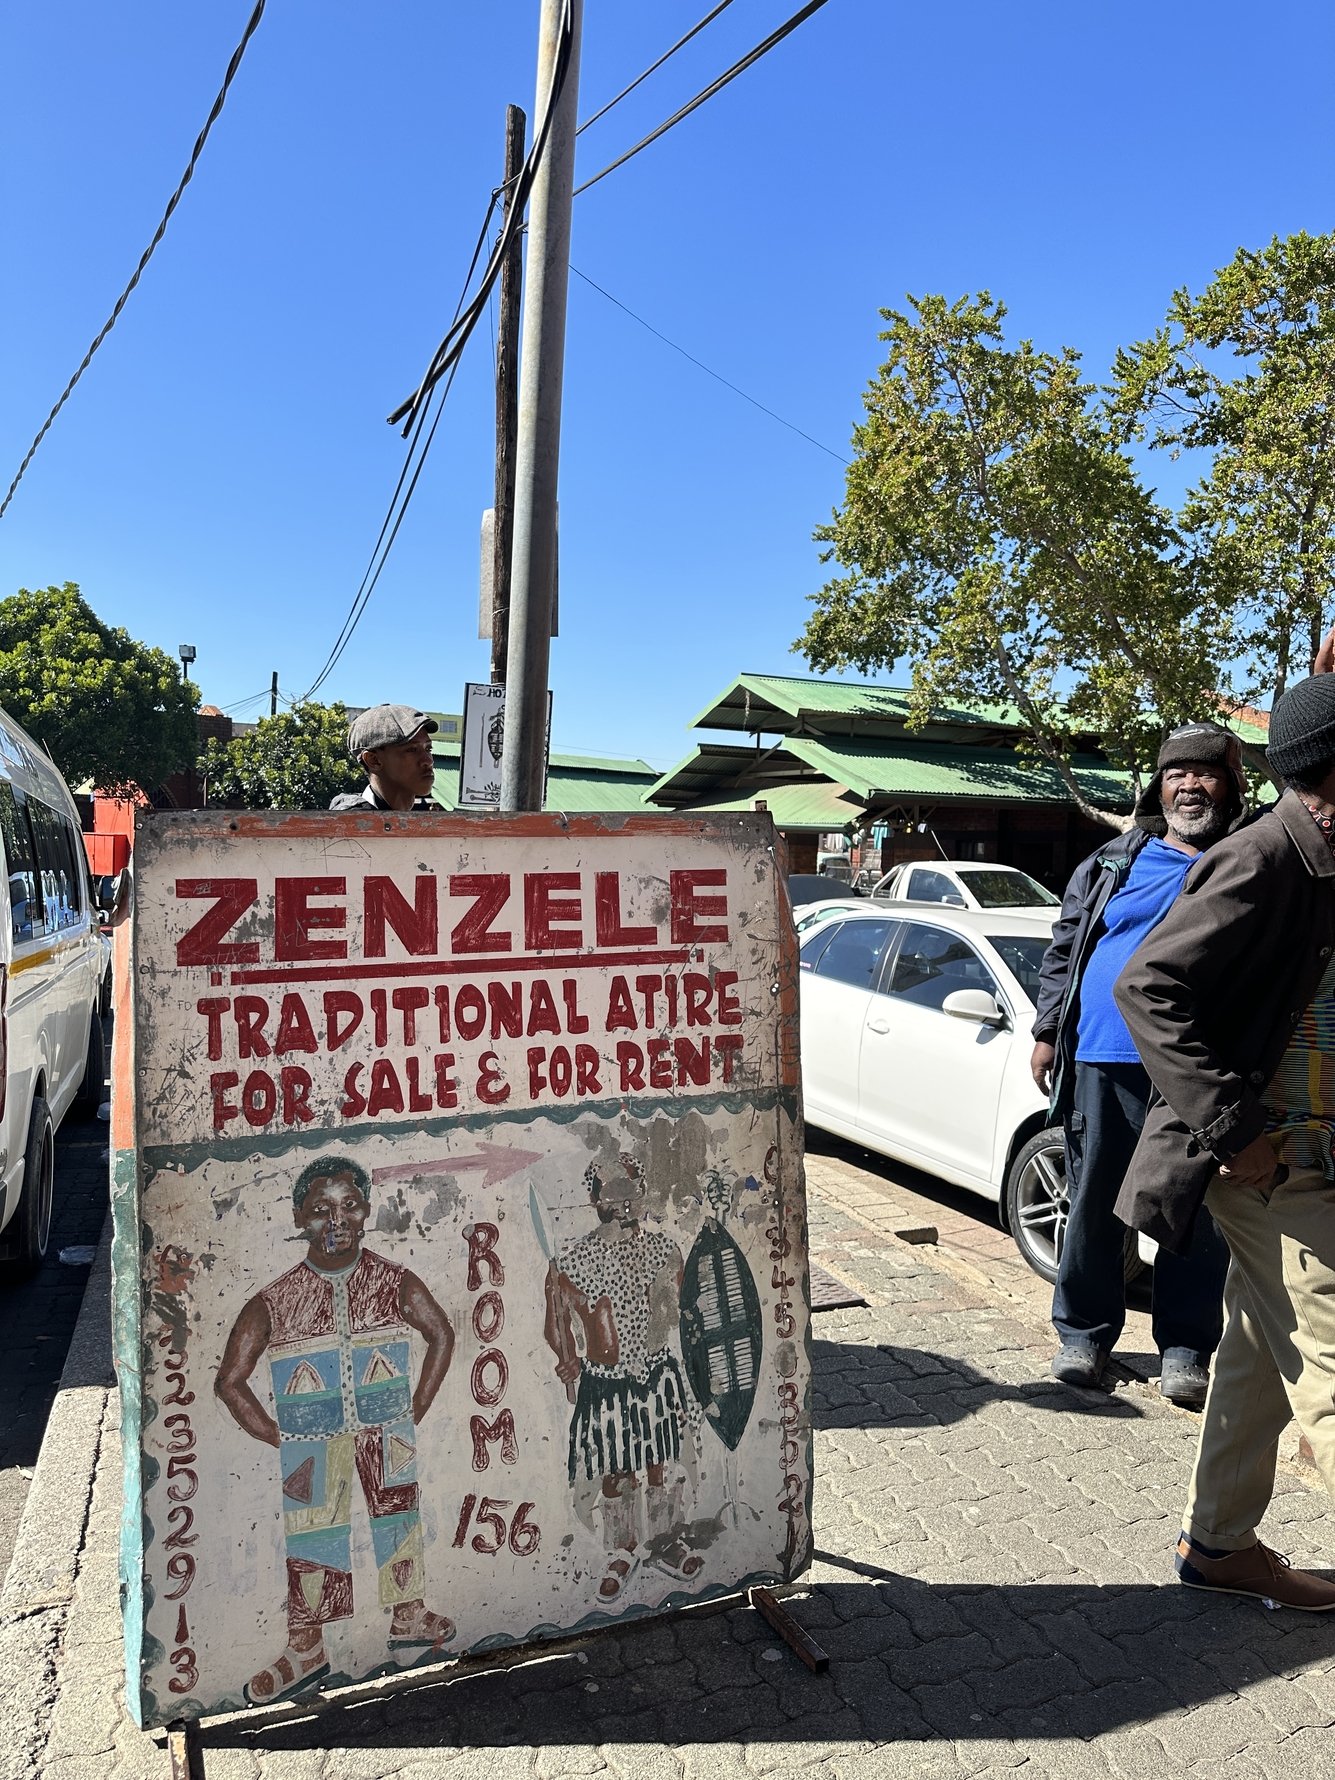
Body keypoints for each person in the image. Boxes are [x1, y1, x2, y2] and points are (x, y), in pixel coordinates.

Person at [1114, 672, 1335, 1611]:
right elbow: (1145, 987)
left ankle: (1217, 1546)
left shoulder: (1324, 856)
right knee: (1331, 1360)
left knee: (1252, 1349)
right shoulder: (1259, 859)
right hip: (1270, 1162)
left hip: (1312, 1155)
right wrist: (1235, 1133)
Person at [1031, 722, 1242, 1403]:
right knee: (1092, 1200)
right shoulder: (1113, 862)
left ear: (1231, 784)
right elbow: (1067, 945)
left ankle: (1185, 1348)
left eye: (1205, 772)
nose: (1188, 784)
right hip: (1101, 1054)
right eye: (1176, 772)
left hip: (1193, 1065)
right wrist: (1044, 1031)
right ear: (1158, 784)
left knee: (1190, 1208)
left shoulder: (1245, 858)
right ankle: (1083, 1337)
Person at [215, 1155, 456, 1702]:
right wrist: (280, 1436)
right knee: (316, 1536)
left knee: (398, 1517)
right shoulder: (275, 1300)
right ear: (300, 1217)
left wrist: (413, 1410)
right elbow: (230, 1381)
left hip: (386, 1430)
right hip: (312, 1442)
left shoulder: (391, 1280)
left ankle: (408, 1616)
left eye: (349, 1205)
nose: (337, 1219)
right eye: (321, 1209)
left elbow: (441, 1333)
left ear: (367, 1211)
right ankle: (307, 1648)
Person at [543, 1153, 701, 1603]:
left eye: (630, 1191)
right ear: (594, 1199)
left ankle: (666, 1541)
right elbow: (555, 1324)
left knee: (660, 1464)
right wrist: (566, 1355)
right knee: (616, 1467)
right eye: (612, 1193)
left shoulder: (662, 1250)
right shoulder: (572, 1260)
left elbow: (684, 1310)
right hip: (604, 1382)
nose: (623, 1204)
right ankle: (623, 1549)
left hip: (655, 1376)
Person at [329, 705, 438, 811]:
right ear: (373, 760)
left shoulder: (418, 823)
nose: (428, 761)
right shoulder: (353, 825)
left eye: (428, 749)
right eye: (412, 750)